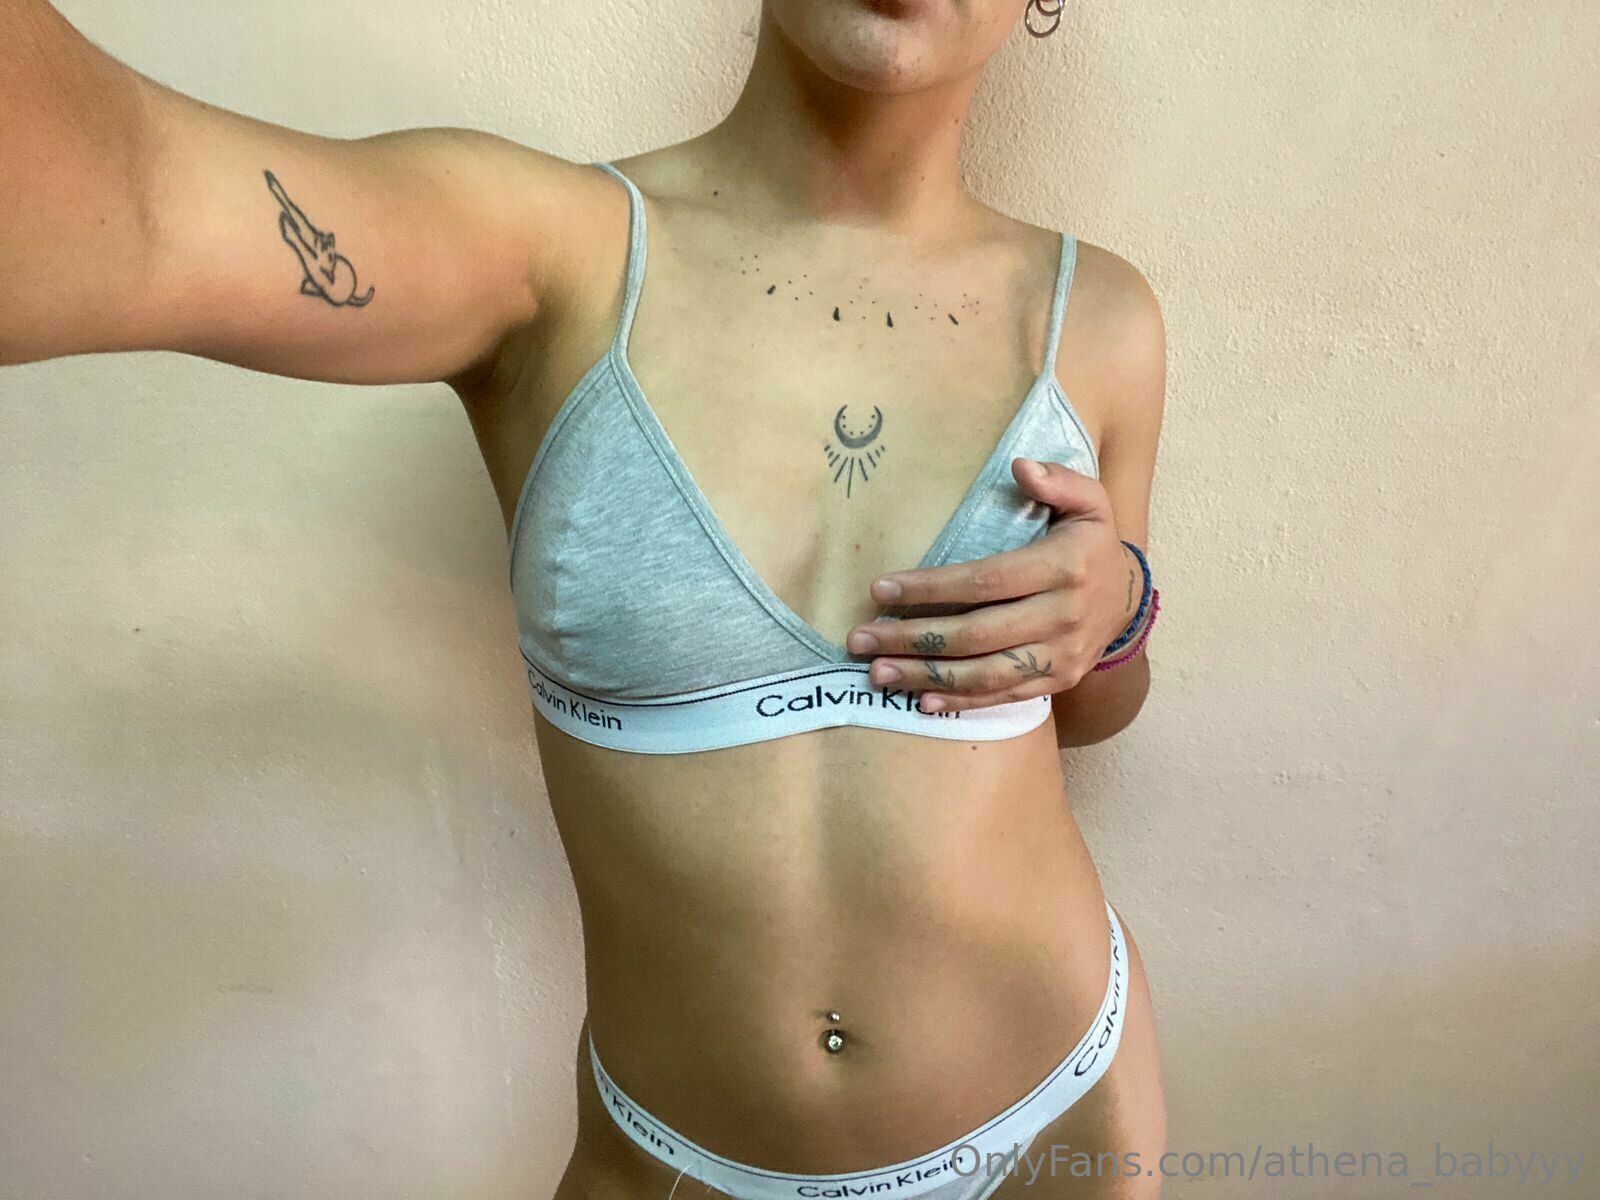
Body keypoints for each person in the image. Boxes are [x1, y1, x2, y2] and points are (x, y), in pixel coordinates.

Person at [2, 0, 1169, 1195]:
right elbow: (138, 203)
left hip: (1058, 1124)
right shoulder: (553, 255)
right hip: (674, 1160)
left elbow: (1094, 710)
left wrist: (1117, 607)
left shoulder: (1097, 317)